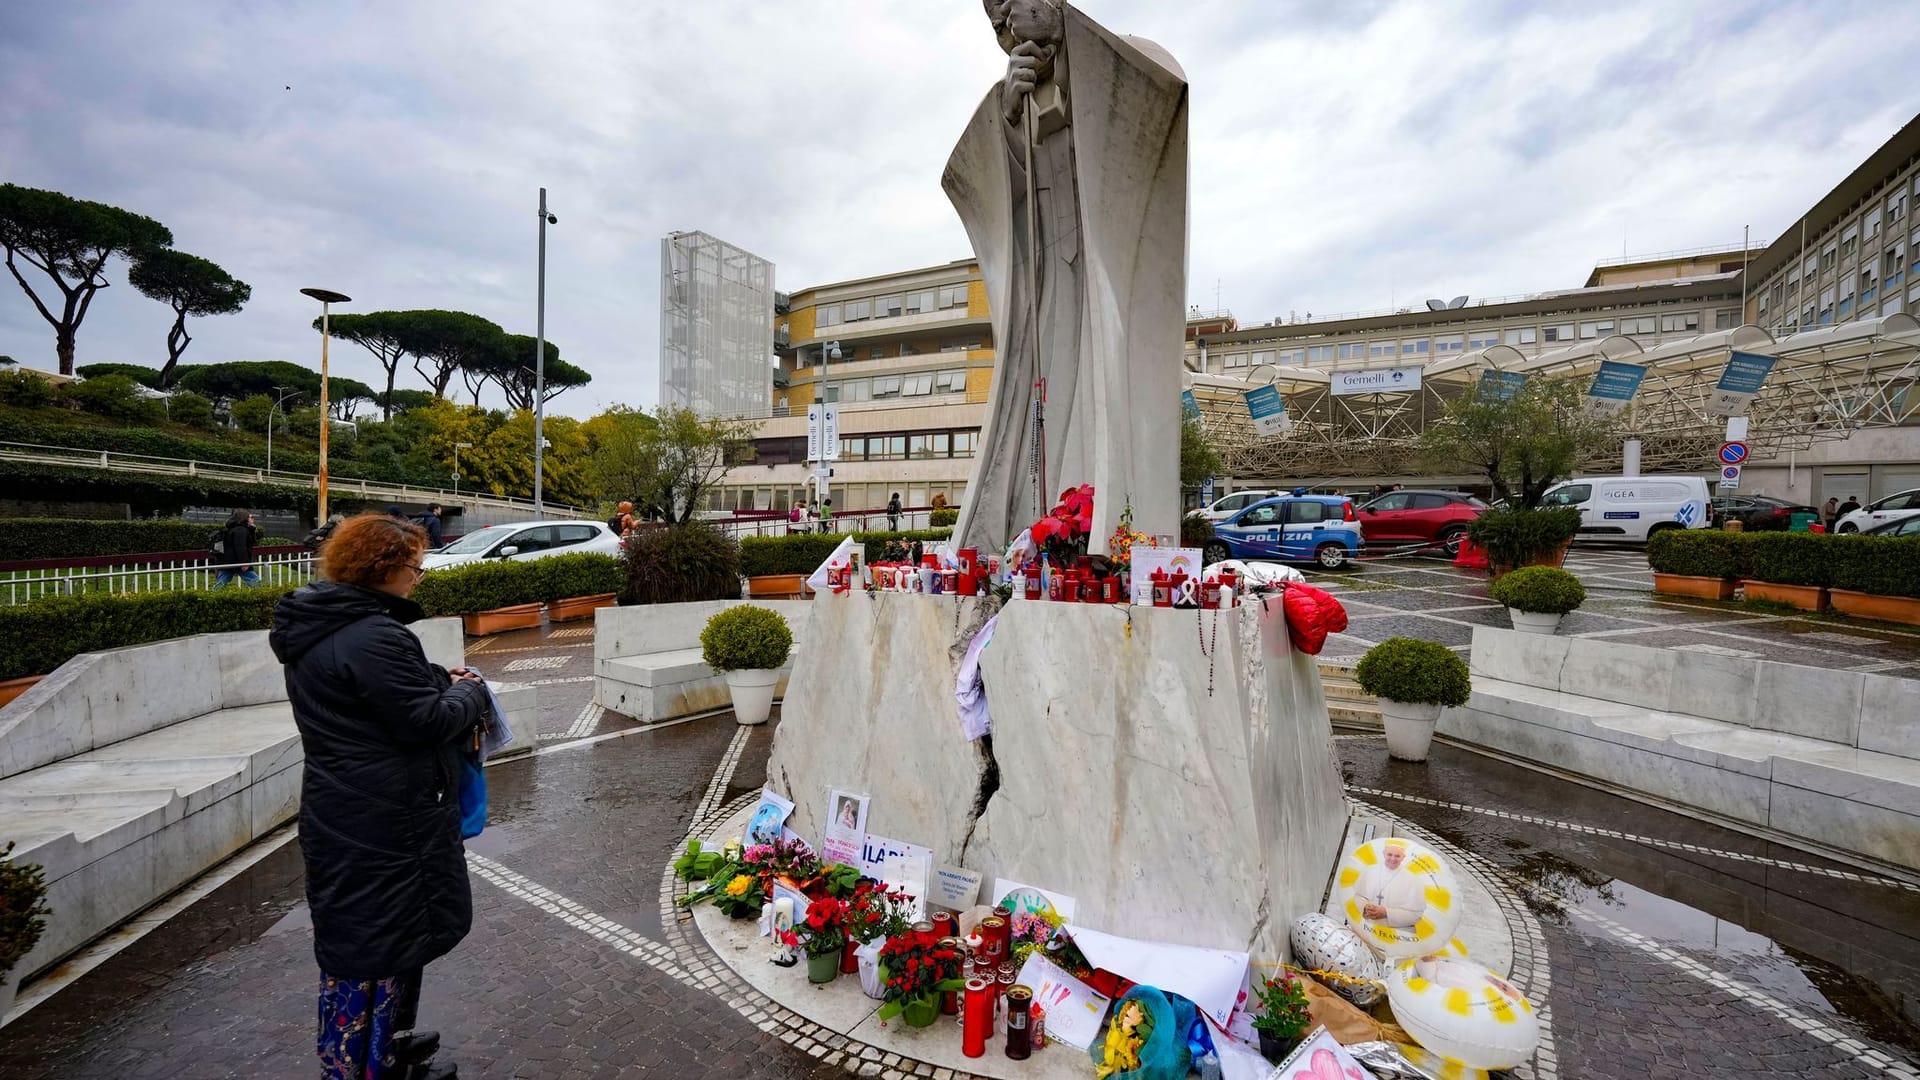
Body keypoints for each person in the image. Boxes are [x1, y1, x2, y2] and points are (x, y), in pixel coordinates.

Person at [270, 514, 488, 1080]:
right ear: (383, 567)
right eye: (414, 566)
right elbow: (422, 720)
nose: (419, 576)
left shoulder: (326, 626)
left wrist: (439, 677)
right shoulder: (373, 634)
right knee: (379, 946)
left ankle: (381, 1050)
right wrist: (470, 694)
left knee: (370, 942)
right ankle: (367, 1067)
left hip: (348, 807)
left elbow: (373, 695)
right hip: (386, 820)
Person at [1353, 840, 1423, 929]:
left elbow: (1416, 915)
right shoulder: (1370, 871)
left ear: (1403, 857)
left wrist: (1386, 913)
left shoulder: (1414, 880)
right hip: (1368, 925)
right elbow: (1359, 896)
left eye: (1397, 856)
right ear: (1384, 854)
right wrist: (1365, 906)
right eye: (1389, 854)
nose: (1393, 859)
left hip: (1399, 931)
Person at [213, 509, 262, 588]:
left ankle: (211, 596)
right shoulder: (241, 530)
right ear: (244, 518)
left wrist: (252, 529)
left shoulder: (233, 528)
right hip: (237, 562)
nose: (253, 519)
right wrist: (244, 562)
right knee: (254, 580)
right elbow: (240, 547)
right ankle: (262, 596)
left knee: (221, 583)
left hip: (227, 561)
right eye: (250, 517)